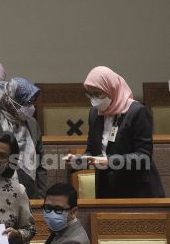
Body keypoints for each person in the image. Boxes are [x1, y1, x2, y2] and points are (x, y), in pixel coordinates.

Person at [65, 66, 164, 198]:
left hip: (137, 191)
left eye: (98, 94)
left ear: (112, 89)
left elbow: (143, 156)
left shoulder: (137, 112)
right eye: (90, 94)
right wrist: (78, 161)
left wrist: (109, 161)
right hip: (107, 191)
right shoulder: (95, 113)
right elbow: (92, 151)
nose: (94, 99)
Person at [0, 77, 47, 199]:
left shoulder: (32, 124)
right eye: (27, 102)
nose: (31, 107)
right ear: (11, 101)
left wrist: (42, 197)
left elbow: (40, 163)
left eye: (33, 102)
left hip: (29, 194)